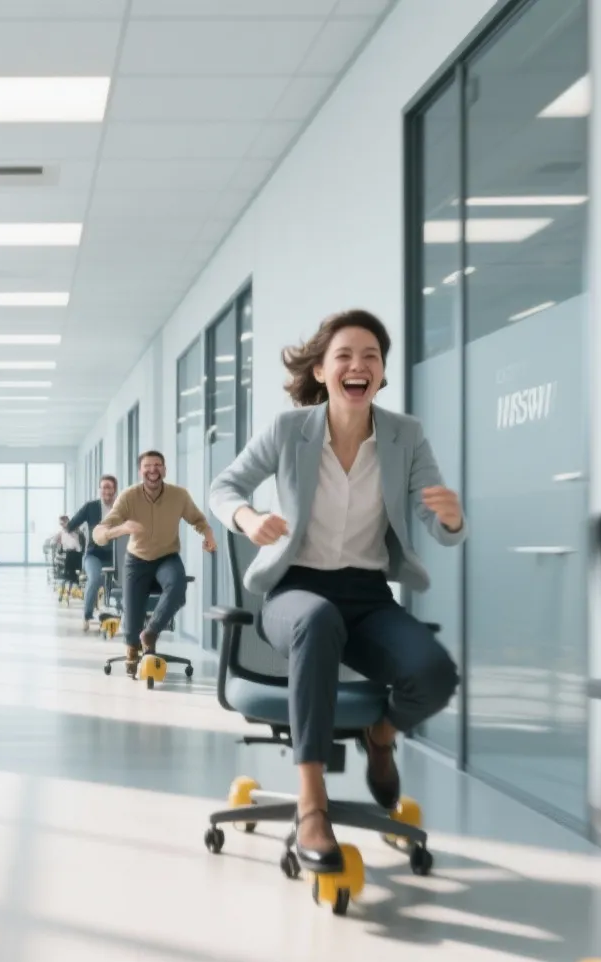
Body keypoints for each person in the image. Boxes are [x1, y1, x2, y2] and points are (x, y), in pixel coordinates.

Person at [209, 309, 463, 873]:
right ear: (321, 372)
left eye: (371, 356)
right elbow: (223, 486)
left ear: (381, 374)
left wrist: (449, 519)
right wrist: (247, 517)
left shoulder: (405, 436)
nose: (358, 365)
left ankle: (381, 734)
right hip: (295, 593)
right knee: (316, 620)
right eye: (344, 356)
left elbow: (436, 523)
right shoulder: (288, 431)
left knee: (435, 674)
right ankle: (311, 803)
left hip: (368, 595)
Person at [93, 452, 216, 676]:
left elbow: (198, 520)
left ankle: (150, 633)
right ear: (141, 472)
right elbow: (98, 534)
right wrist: (122, 528)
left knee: (178, 586)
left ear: (165, 470)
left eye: (158, 465)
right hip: (136, 560)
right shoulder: (128, 496)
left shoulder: (179, 495)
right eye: (147, 466)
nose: (153, 470)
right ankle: (133, 647)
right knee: (131, 617)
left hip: (166, 557)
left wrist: (208, 534)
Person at [66, 475, 120, 631]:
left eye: (109, 487)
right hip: (93, 554)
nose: (106, 491)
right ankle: (87, 615)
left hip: (116, 554)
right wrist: (82, 535)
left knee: (127, 580)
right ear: (99, 490)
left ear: (115, 489)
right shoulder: (91, 507)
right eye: (103, 487)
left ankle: (123, 613)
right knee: (95, 578)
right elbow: (70, 525)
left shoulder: (122, 506)